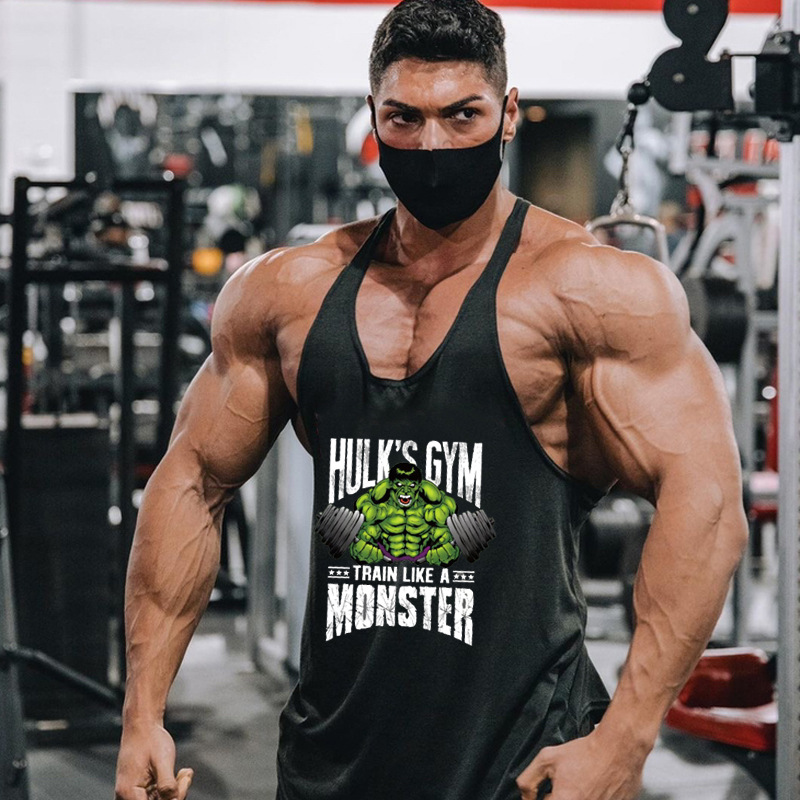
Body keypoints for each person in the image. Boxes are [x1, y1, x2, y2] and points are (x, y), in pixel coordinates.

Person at [113, 1, 748, 798]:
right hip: (329, 761)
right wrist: (143, 713)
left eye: (462, 115)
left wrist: (625, 739)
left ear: (508, 114)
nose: (433, 145)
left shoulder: (590, 288)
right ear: (373, 117)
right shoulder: (286, 292)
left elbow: (706, 501)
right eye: (404, 119)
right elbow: (191, 482)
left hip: (525, 763)